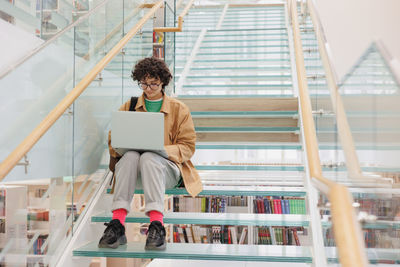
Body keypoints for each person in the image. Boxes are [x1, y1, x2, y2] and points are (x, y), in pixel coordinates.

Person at [98, 57, 202, 250]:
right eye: (144, 83)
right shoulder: (129, 106)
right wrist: (123, 144)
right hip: (133, 171)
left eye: (153, 83)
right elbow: (114, 141)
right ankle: (117, 224)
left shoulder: (180, 109)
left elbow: (188, 146)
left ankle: (157, 224)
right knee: (130, 156)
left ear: (163, 82)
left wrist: (162, 150)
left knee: (149, 157)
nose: (148, 88)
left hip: (166, 171)